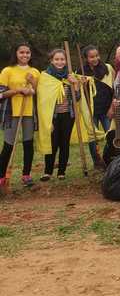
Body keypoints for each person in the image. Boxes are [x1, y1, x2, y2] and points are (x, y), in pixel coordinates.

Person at [0, 43, 40, 188]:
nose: (25, 55)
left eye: (27, 53)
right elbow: (1, 93)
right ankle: (2, 176)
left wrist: (32, 83)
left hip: (28, 112)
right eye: (21, 52)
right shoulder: (7, 71)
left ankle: (26, 175)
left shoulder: (35, 71)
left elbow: (37, 91)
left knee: (28, 144)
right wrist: (18, 90)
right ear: (16, 53)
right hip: (12, 112)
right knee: (8, 145)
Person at [37, 49, 80, 181]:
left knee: (64, 143)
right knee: (52, 143)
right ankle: (47, 172)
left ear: (66, 61)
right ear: (51, 61)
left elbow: (77, 97)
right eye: (57, 59)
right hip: (52, 117)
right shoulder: (45, 77)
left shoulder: (70, 76)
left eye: (62, 59)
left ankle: (62, 171)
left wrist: (75, 84)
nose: (60, 62)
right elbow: (42, 98)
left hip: (68, 115)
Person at [81, 45, 115, 169]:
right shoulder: (81, 72)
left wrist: (112, 107)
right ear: (86, 58)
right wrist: (81, 84)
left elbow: (114, 88)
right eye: (91, 57)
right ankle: (97, 161)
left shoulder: (108, 68)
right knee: (92, 136)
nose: (95, 59)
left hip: (106, 109)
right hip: (91, 110)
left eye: (96, 56)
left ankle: (110, 158)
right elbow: (78, 94)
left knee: (110, 135)